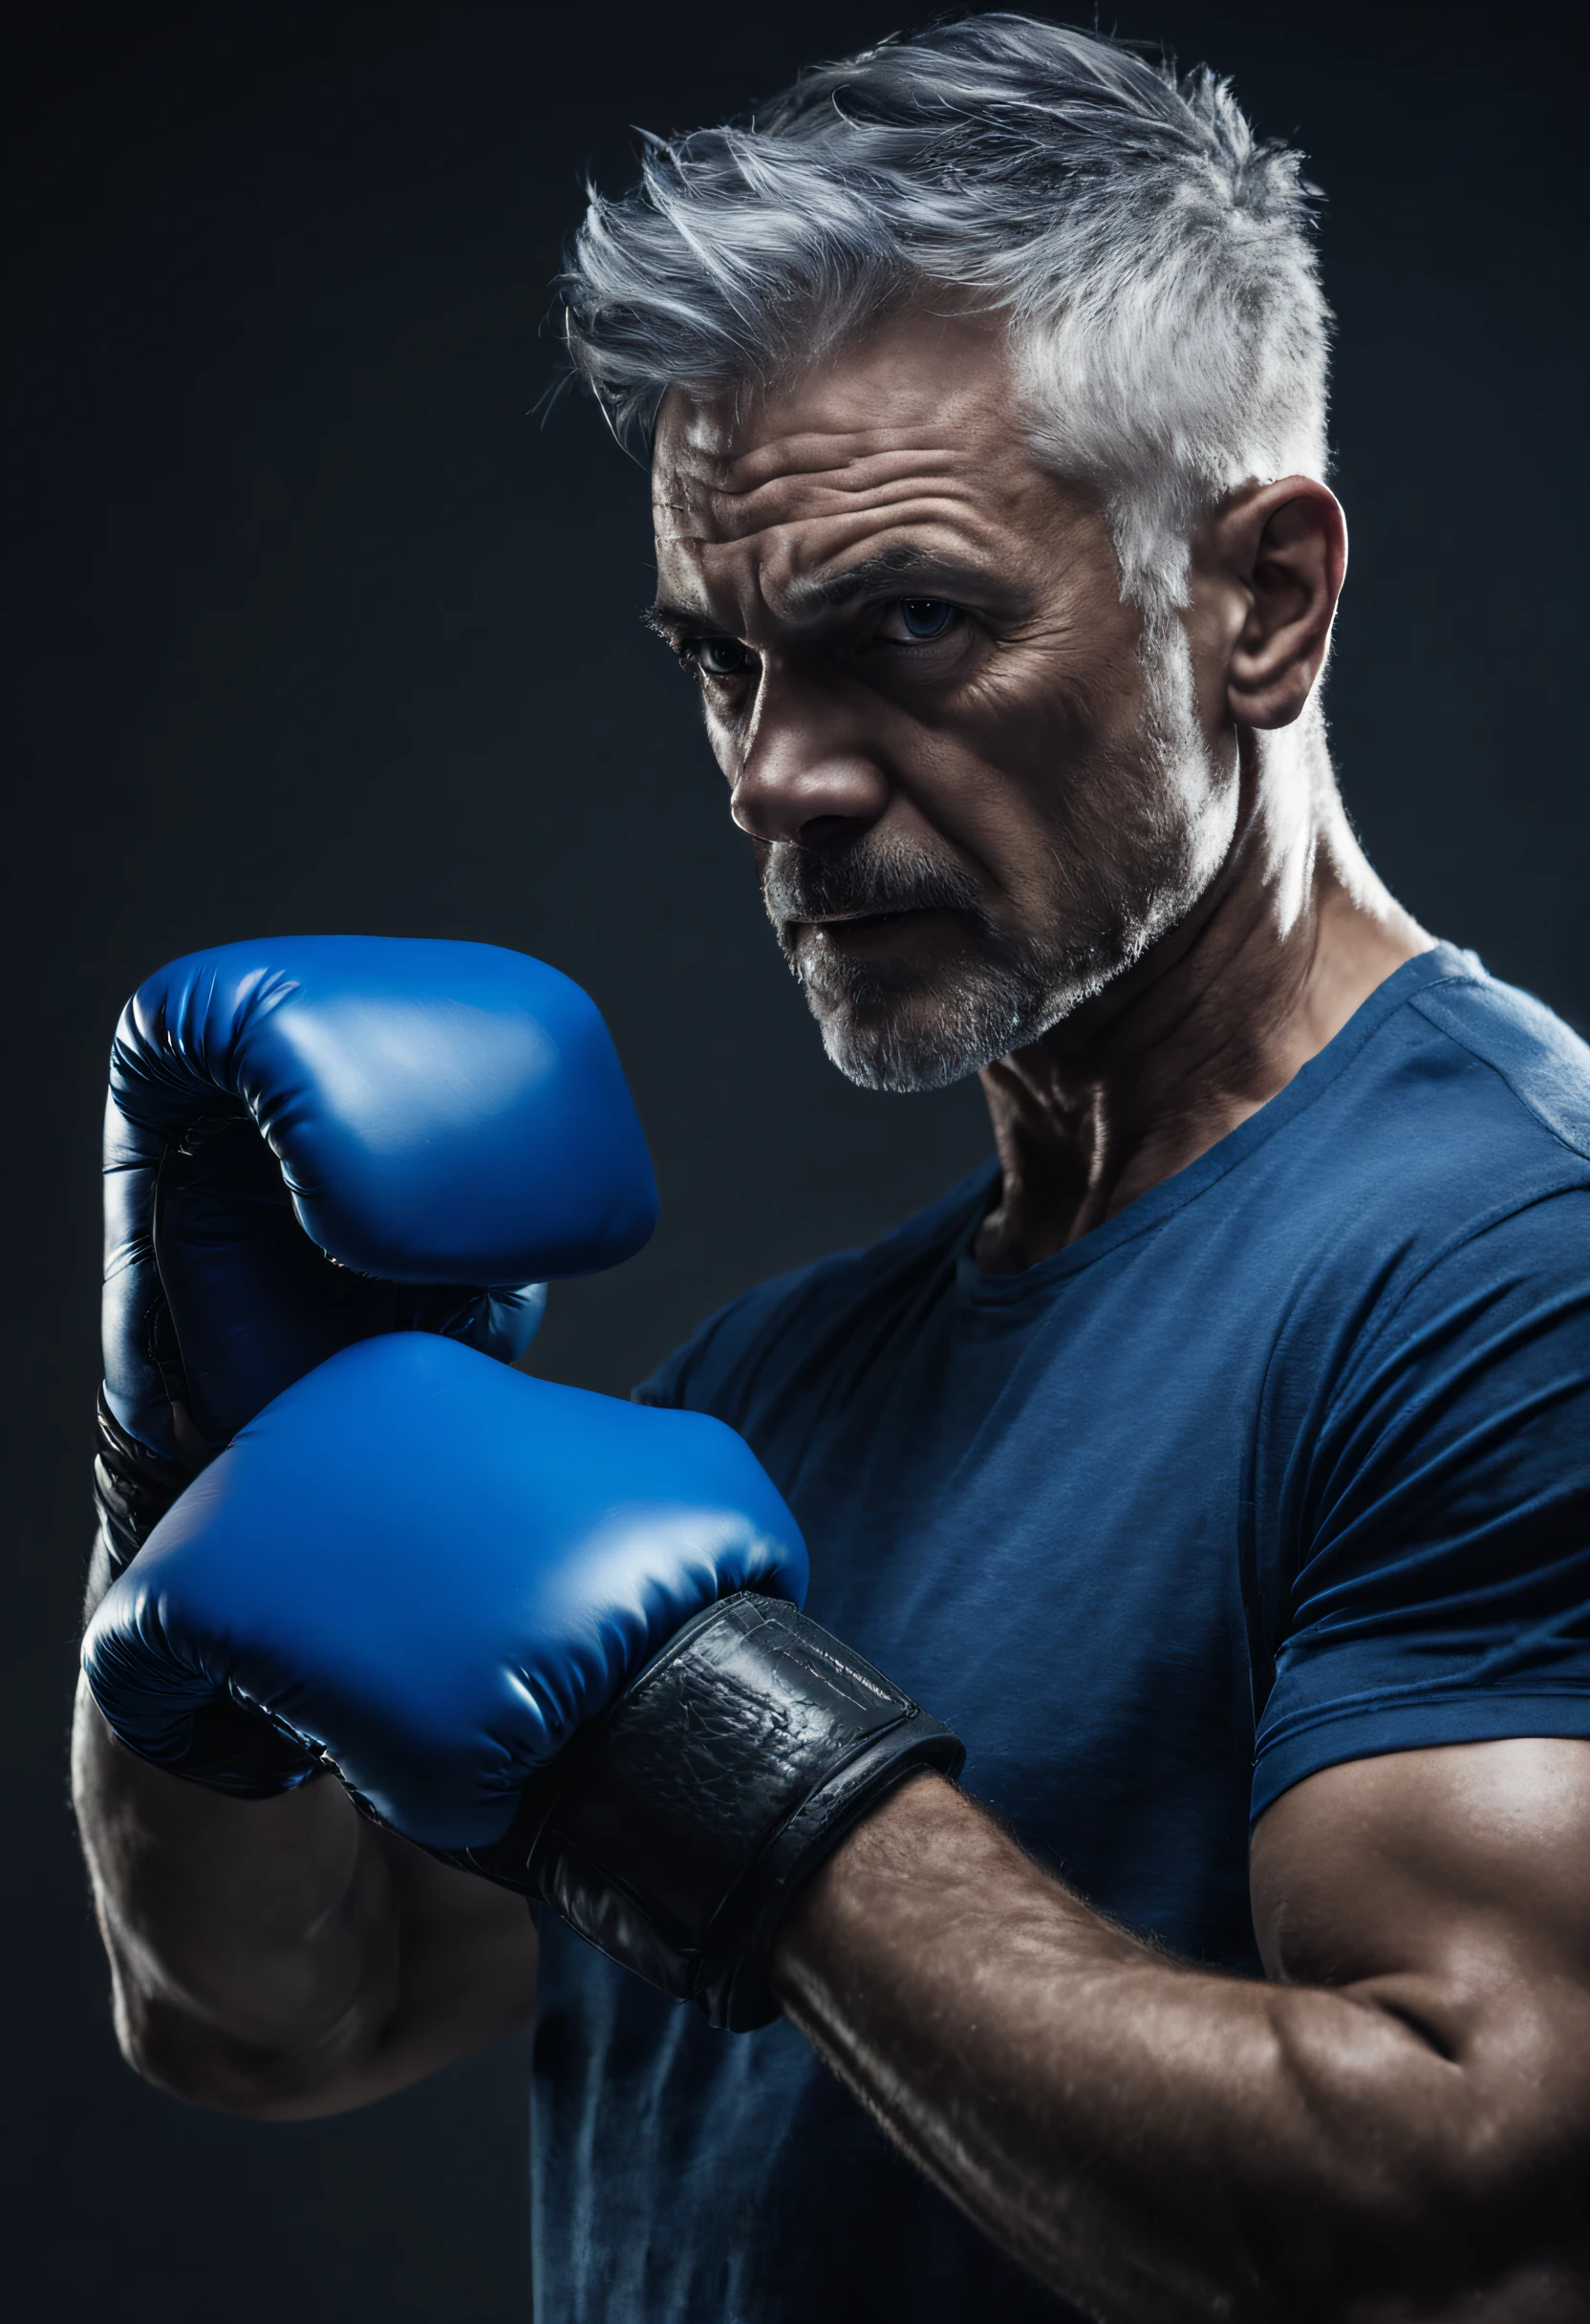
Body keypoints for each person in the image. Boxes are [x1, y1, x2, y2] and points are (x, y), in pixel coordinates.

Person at [73, 17, 1590, 2320]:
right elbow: (284, 2013)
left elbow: (1460, 2238)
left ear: (1260, 597)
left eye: (907, 625)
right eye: (721, 661)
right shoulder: (771, 1390)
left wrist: (727, 1757)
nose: (774, 780)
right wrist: (188, 1469)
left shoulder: (1511, 1266)